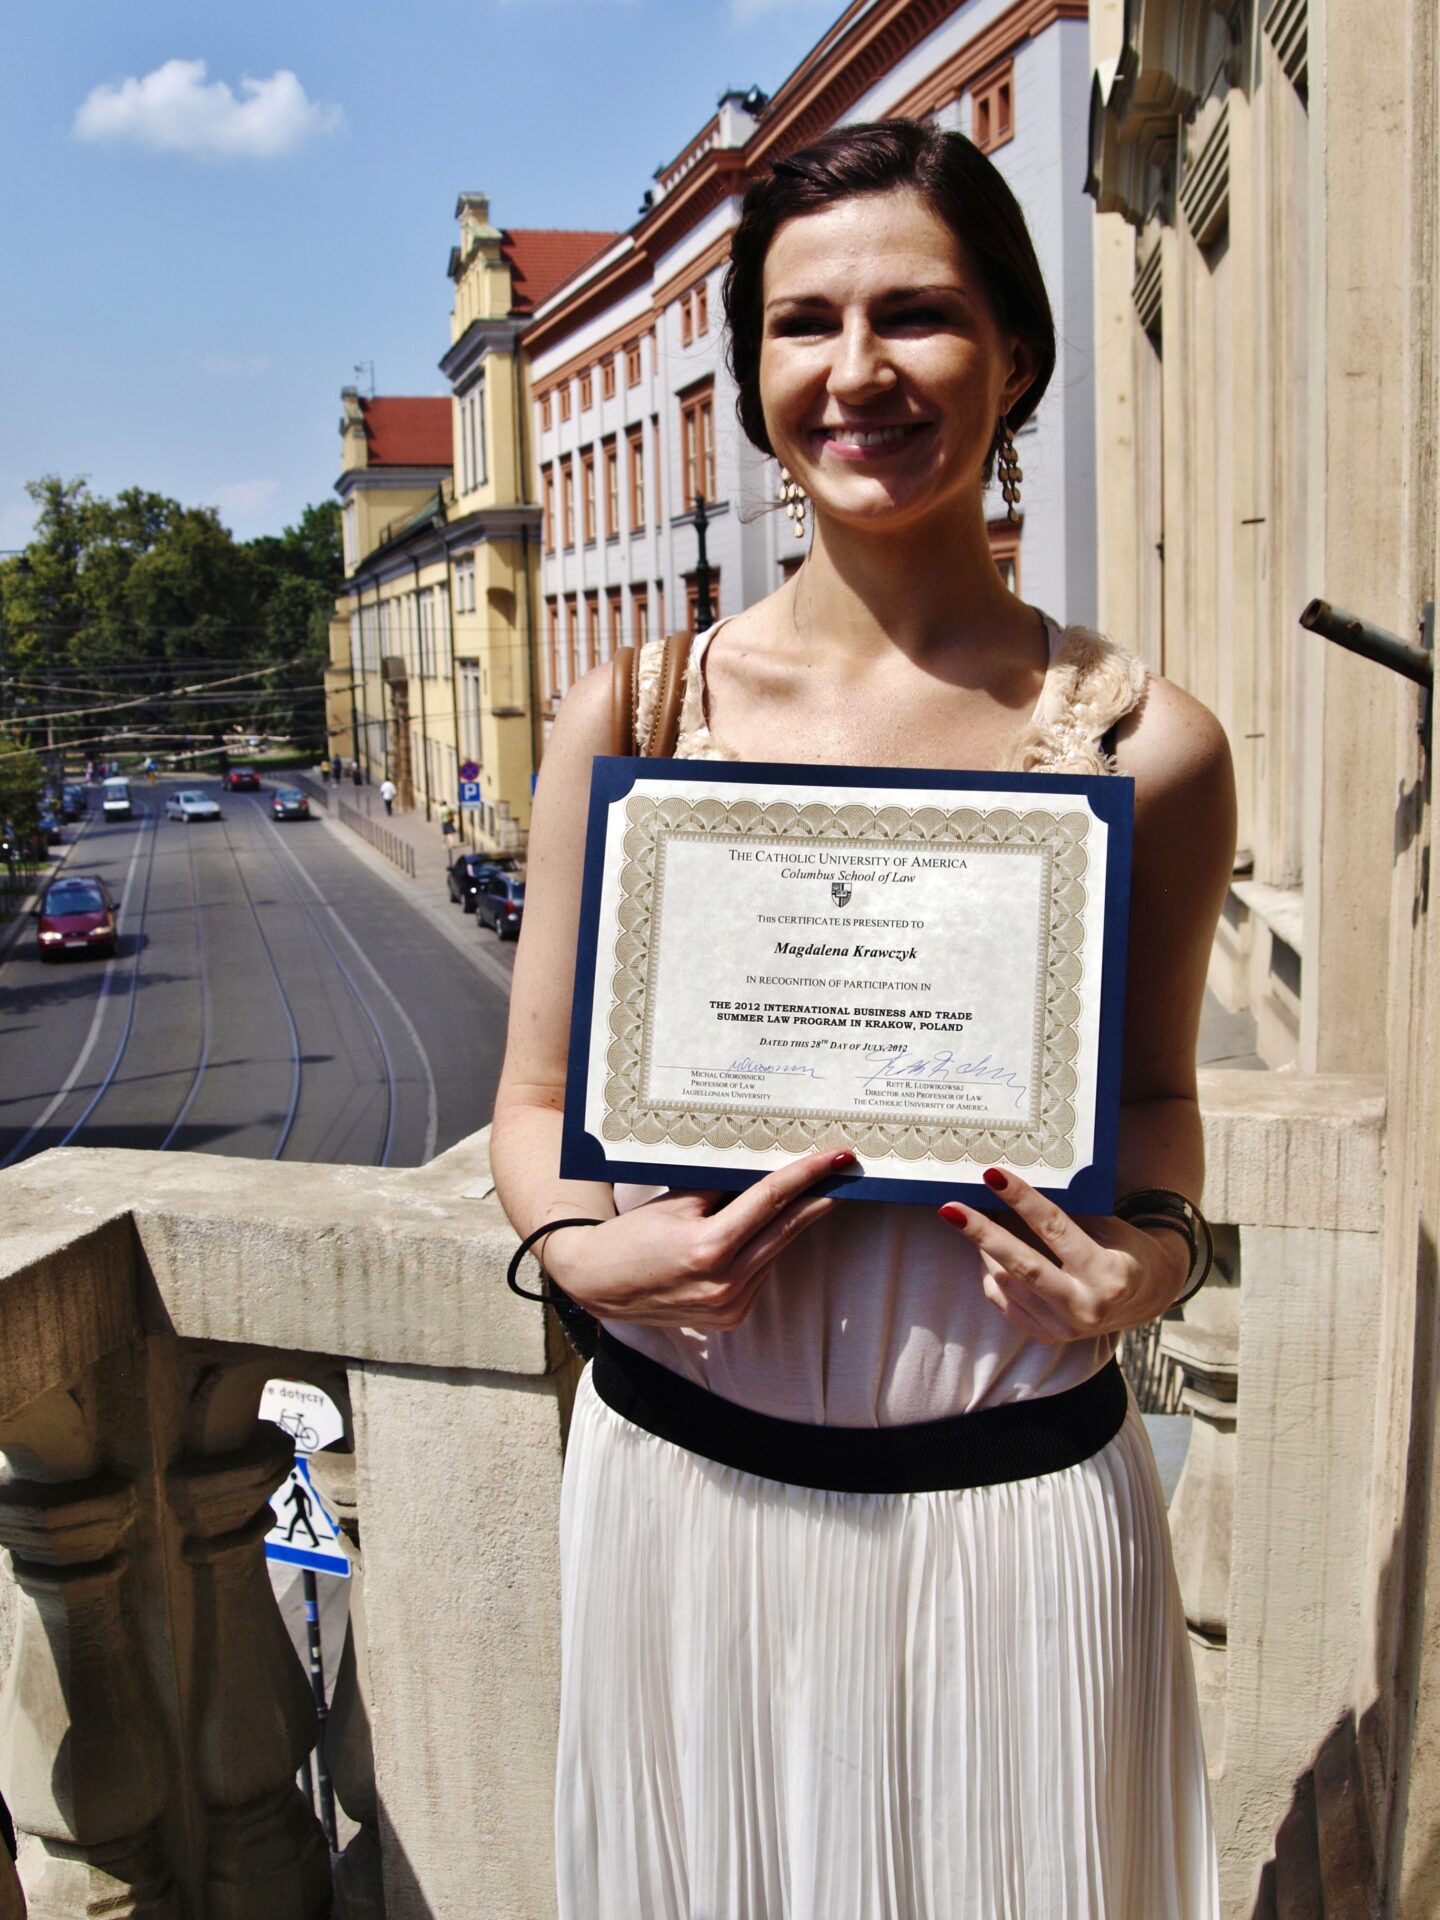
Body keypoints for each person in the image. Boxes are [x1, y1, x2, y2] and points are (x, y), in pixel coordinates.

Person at [491, 119, 1234, 1920]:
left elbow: (1150, 1108)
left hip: (1016, 1511)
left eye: (920, 314)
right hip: (689, 1505)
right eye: (805, 324)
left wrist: (1157, 1266)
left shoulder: (1148, 744)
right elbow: (526, 1102)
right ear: (753, 378)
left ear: (1018, 358)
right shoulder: (637, 714)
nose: (859, 369)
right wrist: (576, 1255)